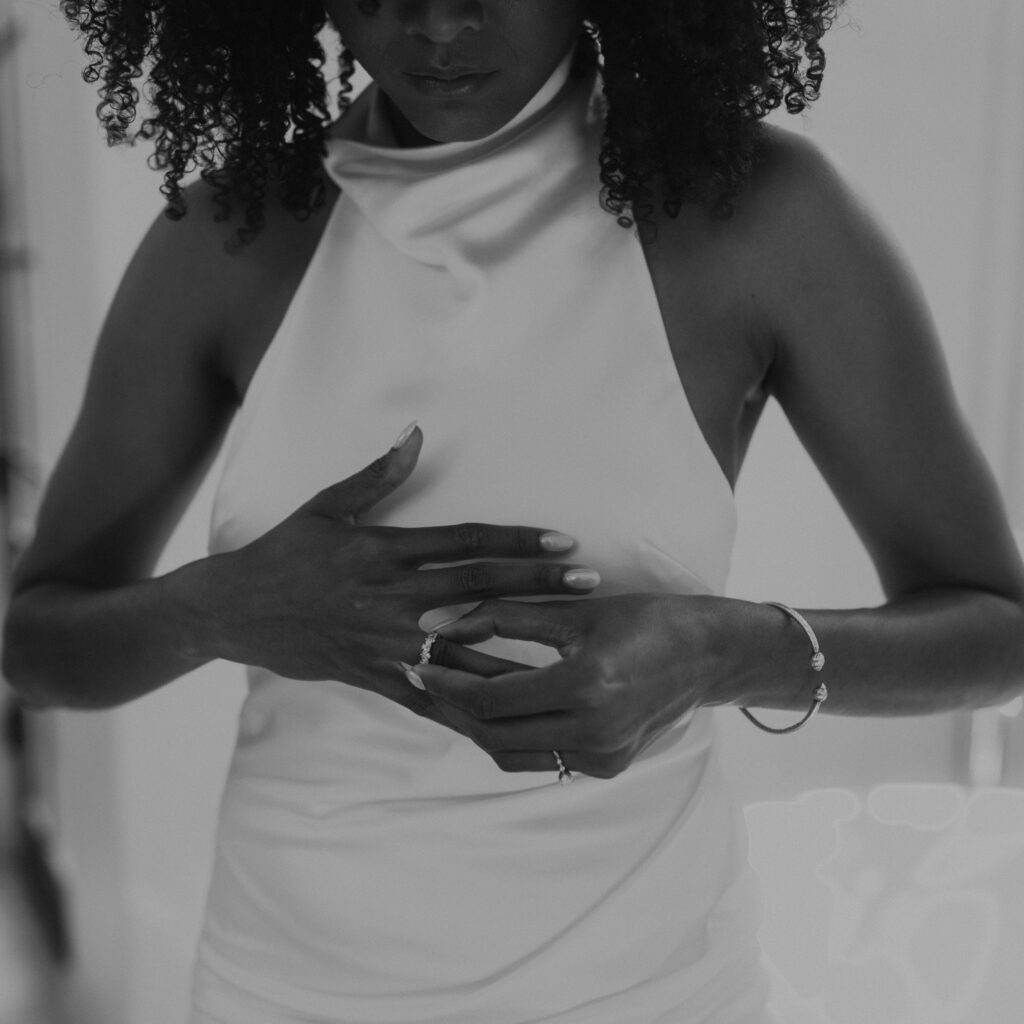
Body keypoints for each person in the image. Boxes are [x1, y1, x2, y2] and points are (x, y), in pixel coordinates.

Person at [4, 1, 1024, 1021]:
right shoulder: (227, 236)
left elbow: (996, 630)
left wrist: (724, 649)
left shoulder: (751, 215)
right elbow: (41, 645)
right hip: (284, 990)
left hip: (648, 992)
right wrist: (217, 609)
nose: (439, 25)